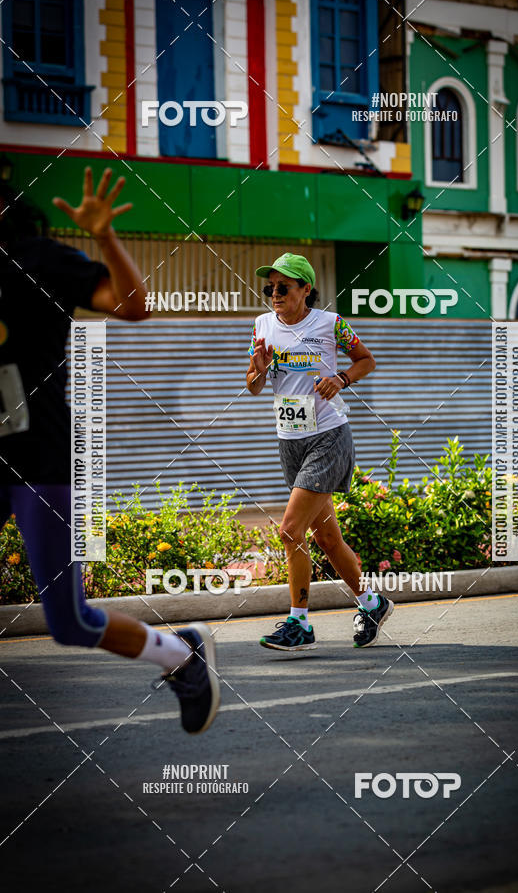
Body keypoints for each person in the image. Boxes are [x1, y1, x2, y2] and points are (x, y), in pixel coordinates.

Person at [0, 165, 218, 733]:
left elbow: (133, 305)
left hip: (40, 460)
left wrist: (104, 237)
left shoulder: (38, 259)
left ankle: (181, 654)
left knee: (68, 620)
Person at [246, 252, 393, 651]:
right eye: (269, 288)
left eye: (283, 287)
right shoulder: (262, 326)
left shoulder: (330, 324)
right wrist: (258, 368)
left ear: (306, 289)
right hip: (289, 440)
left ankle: (300, 624)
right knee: (327, 539)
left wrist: (341, 378)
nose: (274, 294)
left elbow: (366, 360)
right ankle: (373, 603)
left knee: (290, 531)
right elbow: (254, 386)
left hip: (328, 436)